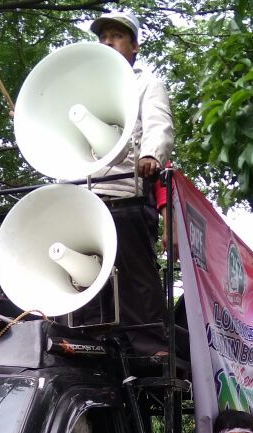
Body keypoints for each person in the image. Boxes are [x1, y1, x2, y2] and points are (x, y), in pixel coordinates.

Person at [81, 10, 174, 355]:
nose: (107, 42)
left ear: (134, 46)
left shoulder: (145, 82)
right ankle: (89, 342)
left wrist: (151, 154)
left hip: (127, 191)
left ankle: (150, 344)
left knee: (135, 273)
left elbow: (158, 125)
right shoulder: (82, 90)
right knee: (86, 274)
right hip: (85, 196)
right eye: (103, 37)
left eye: (117, 36)